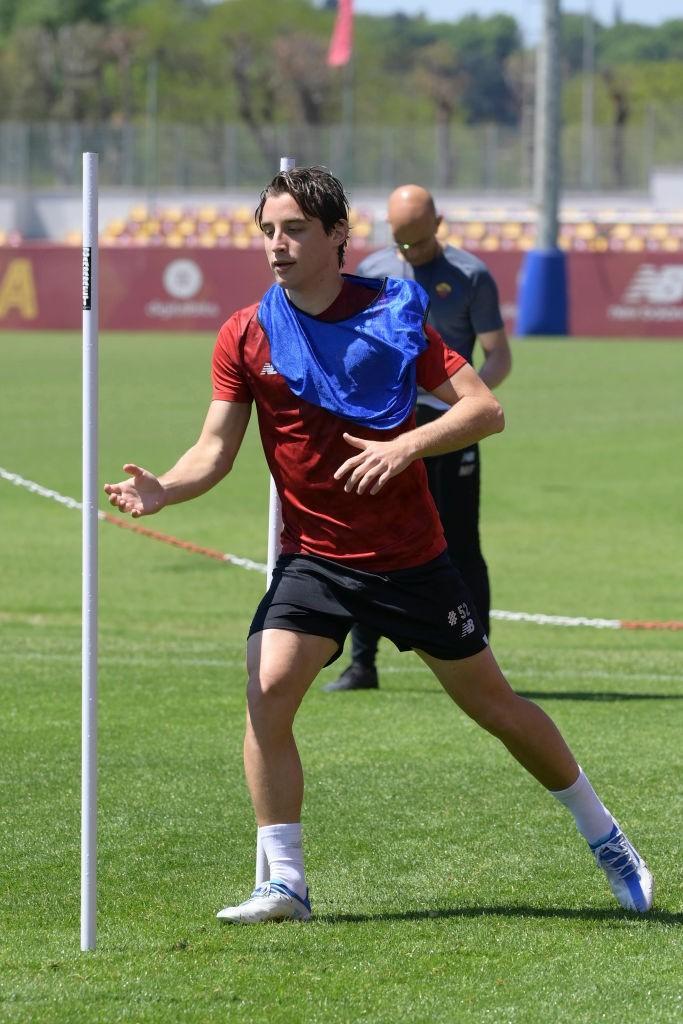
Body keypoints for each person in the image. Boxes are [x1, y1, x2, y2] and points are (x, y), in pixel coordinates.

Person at [104, 166, 653, 924]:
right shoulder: (245, 331)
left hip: (409, 558)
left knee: (493, 706)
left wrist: (405, 448)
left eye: (294, 229)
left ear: (338, 236)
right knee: (265, 690)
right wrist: (164, 487)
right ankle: (285, 884)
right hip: (314, 559)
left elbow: (484, 410)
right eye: (267, 230)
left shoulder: (393, 315)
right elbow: (213, 450)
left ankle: (605, 836)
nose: (276, 245)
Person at [325, 184, 511, 692]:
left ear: (439, 223)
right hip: (386, 429)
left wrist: (462, 403)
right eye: (400, 243)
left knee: (460, 543)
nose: (408, 254)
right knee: (369, 538)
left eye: (418, 243)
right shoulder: (370, 273)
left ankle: (482, 658)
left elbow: (498, 355)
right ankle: (362, 664)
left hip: (449, 431)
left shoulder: (471, 276)